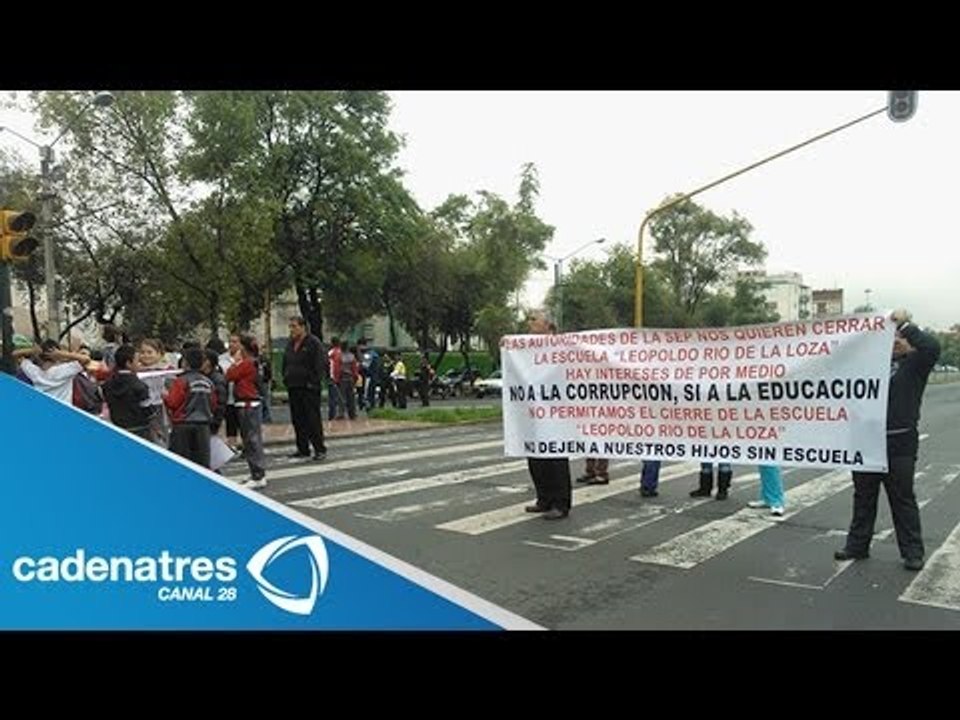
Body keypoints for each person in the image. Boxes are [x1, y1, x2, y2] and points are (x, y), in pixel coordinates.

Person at [835, 309, 939, 571]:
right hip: (865, 440)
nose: (893, 343)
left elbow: (931, 346)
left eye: (897, 338)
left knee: (902, 498)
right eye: (887, 338)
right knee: (863, 497)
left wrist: (904, 324)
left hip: (899, 442)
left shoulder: (915, 364)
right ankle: (857, 546)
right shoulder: (867, 365)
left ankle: (912, 552)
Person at [523, 312, 572, 520]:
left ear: (549, 326)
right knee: (535, 457)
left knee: (555, 459)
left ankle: (561, 503)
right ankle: (544, 499)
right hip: (534, 411)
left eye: (535, 320)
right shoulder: (527, 347)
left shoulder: (562, 347)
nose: (530, 323)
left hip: (556, 412)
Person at [281, 316, 327, 461]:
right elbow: (286, 362)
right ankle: (302, 448)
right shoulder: (290, 344)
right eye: (291, 326)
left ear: (303, 327)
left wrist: (313, 382)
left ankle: (319, 448)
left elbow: (320, 364)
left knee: (312, 418)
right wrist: (286, 377)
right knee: (298, 418)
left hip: (309, 387)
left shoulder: (313, 343)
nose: (292, 329)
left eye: (294, 326)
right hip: (294, 385)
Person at [102, 344, 151, 440]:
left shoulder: (107, 384)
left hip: (117, 429)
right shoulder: (139, 386)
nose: (139, 364)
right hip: (139, 431)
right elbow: (148, 410)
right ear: (128, 363)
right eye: (137, 361)